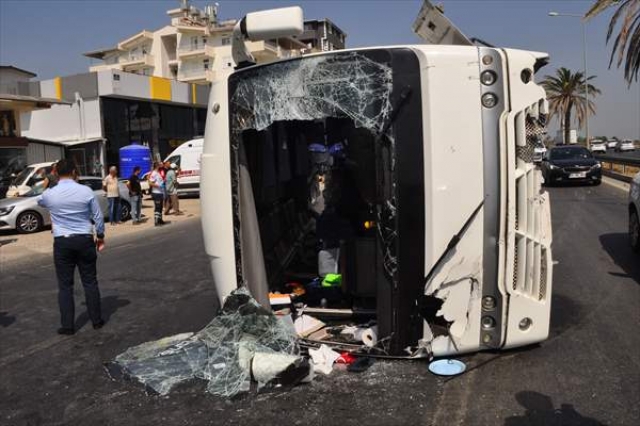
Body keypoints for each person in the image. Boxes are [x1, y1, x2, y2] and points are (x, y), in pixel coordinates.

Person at [37, 159, 105, 335]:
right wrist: (101, 236)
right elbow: (97, 216)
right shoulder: (86, 191)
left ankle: (68, 326)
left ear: (56, 173)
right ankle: (96, 321)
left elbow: (40, 201)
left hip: (62, 242)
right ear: (75, 171)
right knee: (90, 281)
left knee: (65, 285)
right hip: (84, 239)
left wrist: (48, 181)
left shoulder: (50, 194)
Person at [149, 161, 166, 226]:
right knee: (157, 207)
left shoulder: (158, 173)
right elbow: (150, 183)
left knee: (161, 207)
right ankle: (156, 221)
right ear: (157, 166)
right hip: (156, 193)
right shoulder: (154, 173)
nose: (161, 165)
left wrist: (163, 183)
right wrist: (159, 186)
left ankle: (160, 219)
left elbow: (159, 181)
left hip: (160, 192)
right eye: (159, 165)